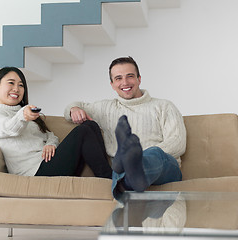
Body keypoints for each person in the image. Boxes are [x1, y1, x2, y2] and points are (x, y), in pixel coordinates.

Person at [64, 56, 186, 200]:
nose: (125, 82)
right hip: (125, 170)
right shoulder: (105, 108)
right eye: (118, 78)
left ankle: (130, 166)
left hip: (163, 167)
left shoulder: (164, 106)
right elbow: (72, 108)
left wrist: (140, 156)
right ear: (112, 84)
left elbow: (178, 143)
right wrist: (74, 109)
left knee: (152, 154)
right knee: (124, 165)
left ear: (139, 79)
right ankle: (127, 180)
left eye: (130, 76)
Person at [0, 67, 112, 179]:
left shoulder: (28, 116)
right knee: (82, 131)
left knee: (90, 125)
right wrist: (23, 115)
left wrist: (51, 145)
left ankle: (109, 180)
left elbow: (50, 136)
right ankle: (111, 180)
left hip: (50, 163)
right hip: (34, 172)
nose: (16, 89)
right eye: (11, 83)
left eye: (21, 85)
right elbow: (10, 128)